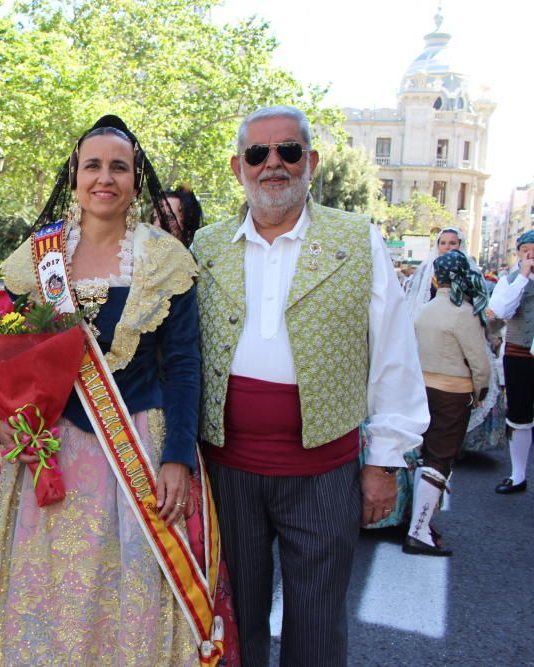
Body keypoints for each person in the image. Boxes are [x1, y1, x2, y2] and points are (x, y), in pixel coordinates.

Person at [0, 115, 239, 666]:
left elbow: (185, 365)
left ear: (136, 181)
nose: (105, 178)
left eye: (120, 167)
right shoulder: (37, 259)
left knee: (132, 588)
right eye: (92, 165)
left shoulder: (165, 258)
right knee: (43, 590)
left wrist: (178, 458)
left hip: (137, 447)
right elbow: (2, 348)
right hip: (52, 454)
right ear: (74, 178)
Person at [192, 105, 429, 666]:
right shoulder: (205, 245)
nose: (273, 164)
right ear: (237, 167)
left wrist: (384, 464)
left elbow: (394, 355)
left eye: (288, 151)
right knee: (233, 614)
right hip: (226, 469)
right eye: (258, 153)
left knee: (318, 619)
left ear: (311, 161)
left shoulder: (358, 239)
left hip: (324, 471)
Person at [406, 250, 490, 556]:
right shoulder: (465, 313)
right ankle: (418, 531)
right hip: (453, 393)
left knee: (426, 454)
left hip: (422, 389)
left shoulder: (423, 311)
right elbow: (479, 363)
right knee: (440, 458)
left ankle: (420, 523)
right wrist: (481, 392)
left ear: (435, 277)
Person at [488, 230, 534, 494]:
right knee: (519, 415)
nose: (530, 255)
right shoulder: (509, 280)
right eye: (525, 250)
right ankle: (517, 476)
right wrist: (523, 278)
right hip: (518, 355)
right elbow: (501, 312)